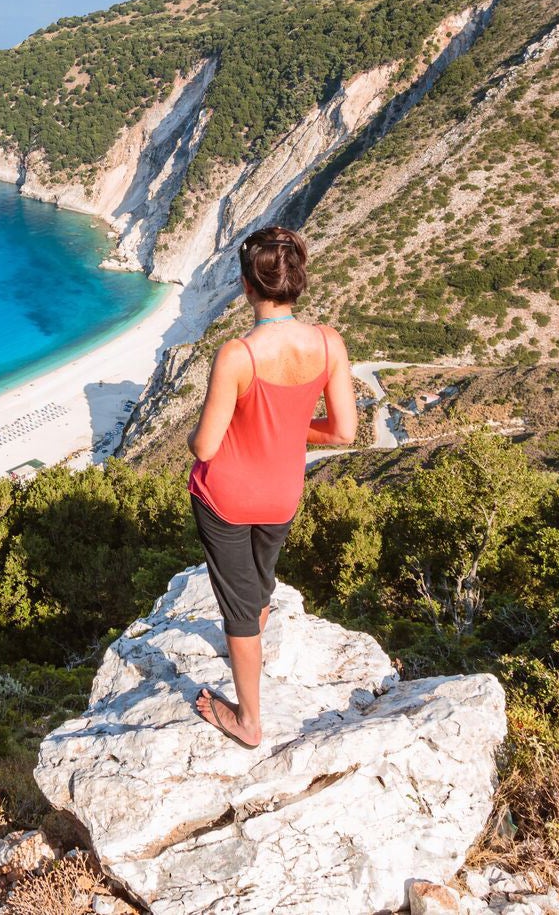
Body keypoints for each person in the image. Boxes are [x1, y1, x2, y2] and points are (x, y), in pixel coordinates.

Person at [186, 225, 357, 747]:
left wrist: (200, 432)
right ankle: (250, 644)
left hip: (227, 497)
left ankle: (248, 721)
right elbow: (343, 432)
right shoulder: (328, 343)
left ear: (246, 286)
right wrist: (288, 426)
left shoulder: (238, 355)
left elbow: (205, 447)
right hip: (283, 493)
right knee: (258, 584)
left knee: (238, 609)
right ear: (297, 282)